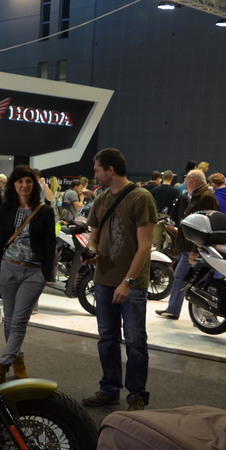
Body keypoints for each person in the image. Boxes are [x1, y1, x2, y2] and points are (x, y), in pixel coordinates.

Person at [81, 148, 158, 412]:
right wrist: (91, 251)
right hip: (103, 280)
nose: (95, 175)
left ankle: (137, 394)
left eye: (97, 170)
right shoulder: (101, 199)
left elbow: (145, 247)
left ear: (110, 170)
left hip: (132, 284)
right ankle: (109, 389)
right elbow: (94, 237)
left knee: (135, 341)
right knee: (107, 338)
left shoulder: (141, 197)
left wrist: (127, 282)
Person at [0, 166, 57, 383]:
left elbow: (50, 244)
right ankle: (18, 361)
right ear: (13, 185)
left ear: (33, 184)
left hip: (33, 273)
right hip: (8, 269)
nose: (24, 185)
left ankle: (1, 367)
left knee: (18, 321)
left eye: (28, 181)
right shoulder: (7, 207)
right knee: (9, 320)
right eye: (20, 182)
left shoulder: (44, 211)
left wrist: (46, 273)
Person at [156, 170, 218, 320]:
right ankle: (179, 310)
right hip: (190, 245)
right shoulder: (198, 195)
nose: (185, 183)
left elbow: (205, 226)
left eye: (187, 180)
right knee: (185, 278)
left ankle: (178, 310)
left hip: (193, 246)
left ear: (195, 180)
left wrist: (195, 249)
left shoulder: (205, 197)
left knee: (184, 278)